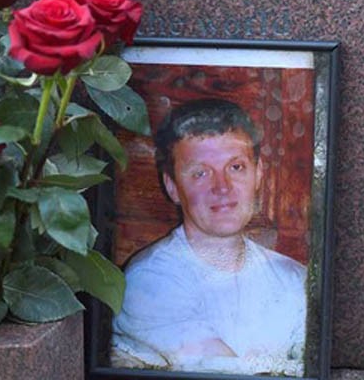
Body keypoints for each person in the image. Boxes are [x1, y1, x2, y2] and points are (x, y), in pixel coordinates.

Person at [110, 98, 307, 376]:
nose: (222, 187)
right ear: (172, 186)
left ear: (258, 174)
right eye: (200, 173)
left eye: (236, 167)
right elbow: (223, 372)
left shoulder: (295, 280)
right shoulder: (148, 282)